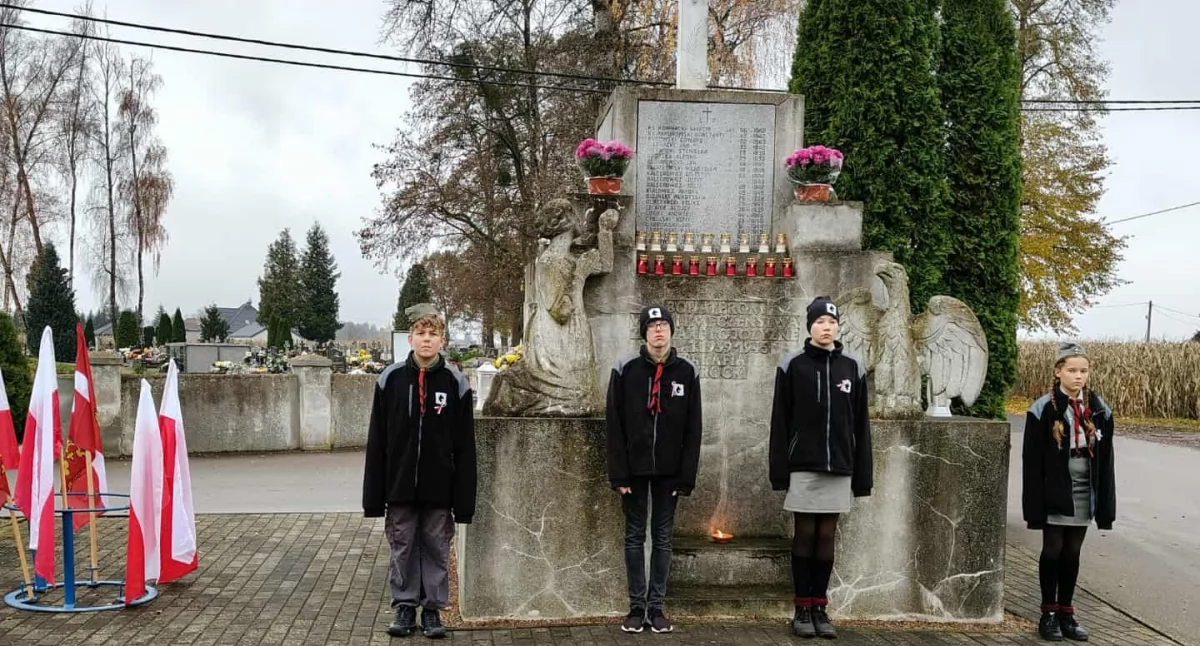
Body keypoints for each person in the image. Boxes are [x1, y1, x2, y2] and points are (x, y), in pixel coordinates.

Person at [363, 303, 477, 640]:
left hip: (439, 488)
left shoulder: (456, 383)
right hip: (399, 486)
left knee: (436, 547)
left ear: (443, 340)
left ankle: (431, 610)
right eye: (421, 334)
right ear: (410, 339)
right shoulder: (390, 380)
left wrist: (464, 500)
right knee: (402, 546)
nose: (427, 340)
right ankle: (404, 605)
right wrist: (374, 496)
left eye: (434, 334)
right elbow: (377, 441)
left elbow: (464, 446)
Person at [769, 296, 872, 640]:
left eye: (831, 322)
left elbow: (861, 425)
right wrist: (779, 470)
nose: (826, 328)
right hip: (803, 465)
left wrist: (862, 475)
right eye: (820, 322)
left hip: (839, 466)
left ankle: (819, 607)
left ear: (837, 326)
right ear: (810, 326)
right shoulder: (792, 365)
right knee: (805, 535)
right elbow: (780, 422)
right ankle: (800, 607)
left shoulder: (852, 368)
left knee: (827, 537)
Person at [605, 304, 703, 634]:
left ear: (672, 331)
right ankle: (636, 607)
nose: (658, 331)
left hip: (670, 471)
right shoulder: (625, 369)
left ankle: (656, 607)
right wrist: (618, 472)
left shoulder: (687, 372)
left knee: (662, 537)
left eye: (663, 325)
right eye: (652, 326)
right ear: (644, 333)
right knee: (634, 536)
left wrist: (685, 476)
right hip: (633, 469)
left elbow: (694, 428)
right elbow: (614, 423)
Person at [1022, 342, 1116, 642]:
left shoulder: (1099, 409)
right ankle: (1048, 613)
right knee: (1053, 549)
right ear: (1058, 371)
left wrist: (1105, 502)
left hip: (1083, 490)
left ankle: (1066, 612)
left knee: (1073, 551)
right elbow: (1032, 461)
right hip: (1055, 490)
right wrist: (1034, 503)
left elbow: (1107, 459)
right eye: (1072, 370)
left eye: (1083, 371)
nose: (1078, 376)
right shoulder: (1043, 409)